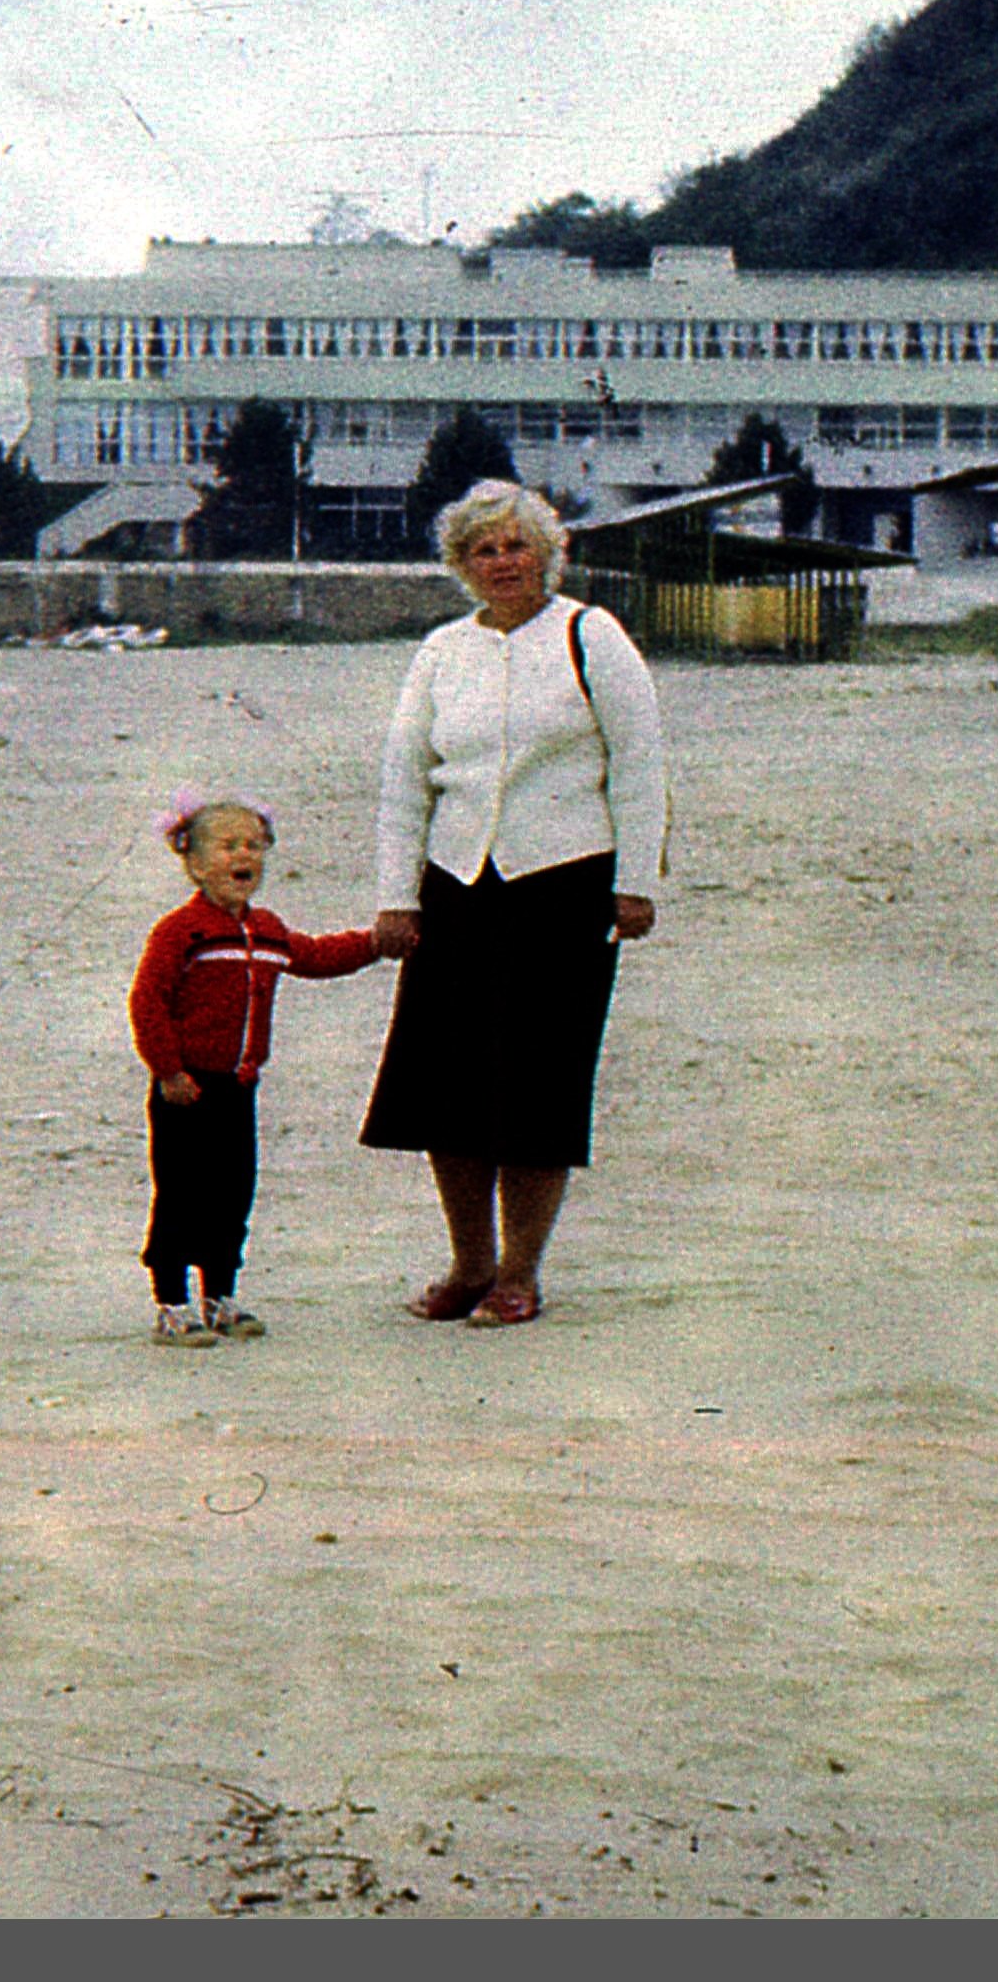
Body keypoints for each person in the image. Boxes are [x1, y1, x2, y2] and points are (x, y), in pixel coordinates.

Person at [362, 479, 667, 1326]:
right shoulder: (439, 651)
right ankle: (469, 1262)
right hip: (457, 885)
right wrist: (397, 897)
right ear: (461, 563)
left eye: (516, 545)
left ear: (548, 552)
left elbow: (639, 763)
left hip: (563, 885)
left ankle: (520, 1272)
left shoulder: (589, 634)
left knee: (538, 1084)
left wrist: (635, 880)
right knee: (444, 1086)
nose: (503, 562)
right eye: (484, 549)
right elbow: (403, 780)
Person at [128, 793, 382, 1347]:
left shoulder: (266, 929)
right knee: (180, 1194)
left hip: (239, 1088)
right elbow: (148, 1002)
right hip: (186, 1089)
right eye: (226, 845)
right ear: (193, 862)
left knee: (233, 1190)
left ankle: (220, 1294)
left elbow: (313, 956)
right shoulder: (180, 931)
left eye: (253, 845)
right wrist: (168, 1070)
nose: (243, 855)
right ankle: (171, 1303)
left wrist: (376, 944)